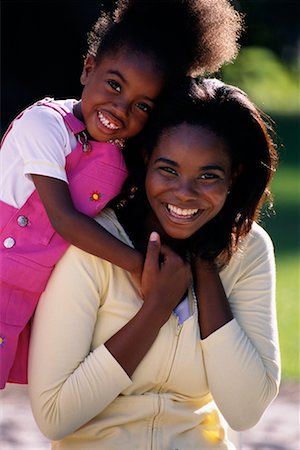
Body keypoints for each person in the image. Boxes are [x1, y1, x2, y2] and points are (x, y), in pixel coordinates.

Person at [0, 0, 244, 389]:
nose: (120, 107)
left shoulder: (118, 155)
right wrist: (139, 266)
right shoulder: (43, 125)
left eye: (142, 105)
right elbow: (65, 220)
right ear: (87, 68)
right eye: (114, 85)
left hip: (24, 301)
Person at [28, 77, 280, 449]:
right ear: (146, 158)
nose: (184, 193)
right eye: (169, 170)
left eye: (208, 175)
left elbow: (244, 411)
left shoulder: (249, 250)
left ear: (235, 175)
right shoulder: (93, 246)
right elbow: (54, 416)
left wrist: (204, 263)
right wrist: (156, 308)